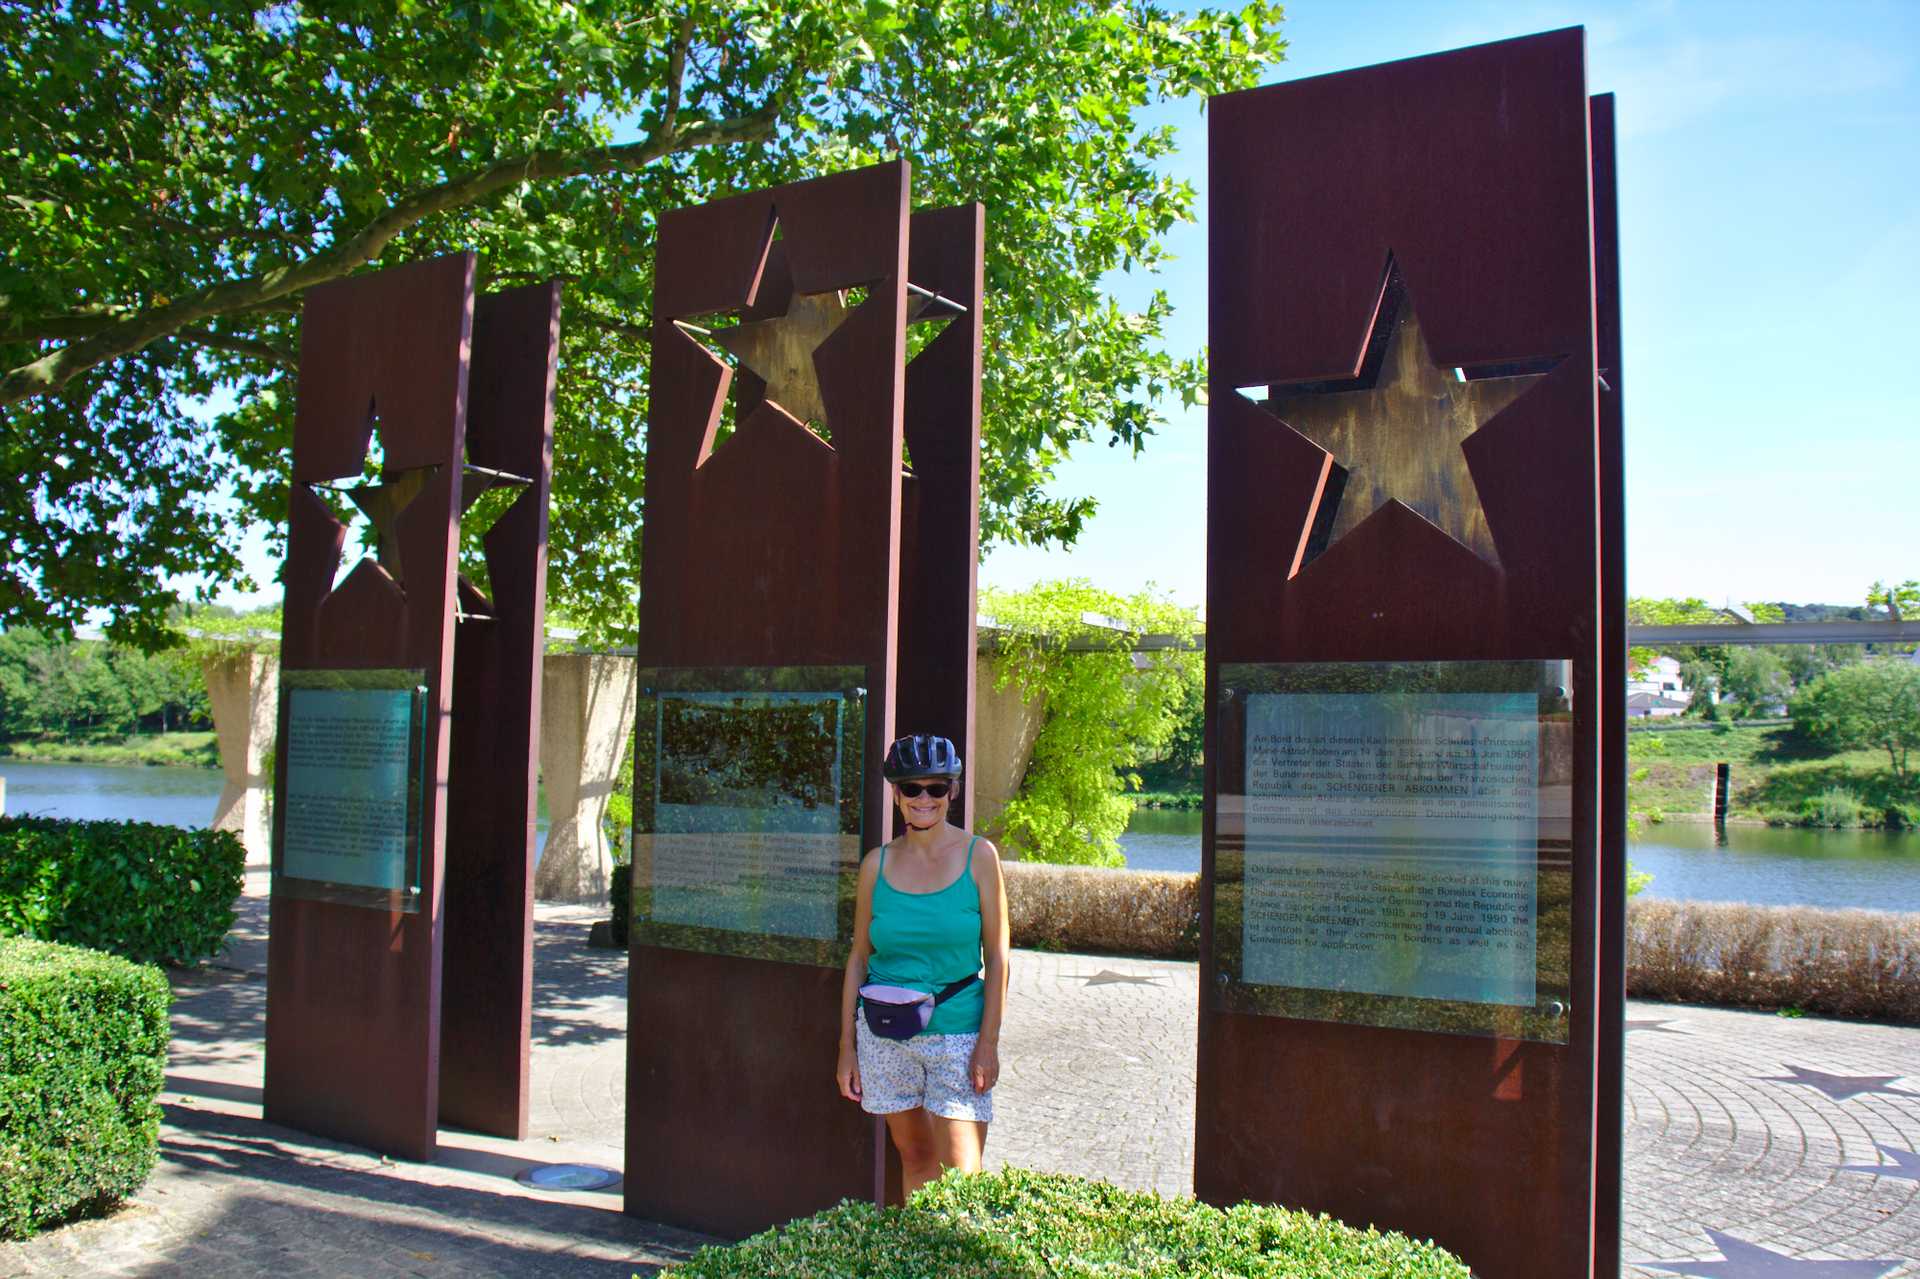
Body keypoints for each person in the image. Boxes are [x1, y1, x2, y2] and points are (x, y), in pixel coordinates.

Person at [836, 733, 1010, 1197]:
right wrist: (846, 1047)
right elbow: (858, 957)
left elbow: (997, 956)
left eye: (936, 787)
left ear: (952, 791)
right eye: (911, 788)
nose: (924, 798)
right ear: (896, 794)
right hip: (886, 1033)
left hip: (958, 1033)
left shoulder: (980, 857)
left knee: (961, 1177)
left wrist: (988, 1043)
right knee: (913, 1158)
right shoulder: (877, 863)